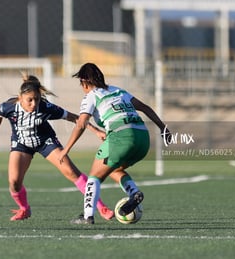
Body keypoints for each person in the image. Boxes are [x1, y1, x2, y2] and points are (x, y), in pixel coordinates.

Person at [0, 74, 114, 221]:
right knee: (14, 183)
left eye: (36, 99)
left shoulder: (45, 107)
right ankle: (24, 209)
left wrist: (97, 131)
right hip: (21, 144)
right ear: (20, 97)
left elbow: (75, 118)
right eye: (30, 100)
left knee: (71, 172)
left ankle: (101, 207)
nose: (34, 103)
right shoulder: (8, 107)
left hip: (45, 142)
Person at [59, 63, 171, 224]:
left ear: (84, 82)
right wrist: (163, 128)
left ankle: (87, 216)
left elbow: (81, 123)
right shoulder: (118, 91)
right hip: (143, 139)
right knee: (113, 169)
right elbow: (145, 108)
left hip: (121, 137)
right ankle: (134, 193)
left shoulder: (91, 95)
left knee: (94, 176)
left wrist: (66, 149)